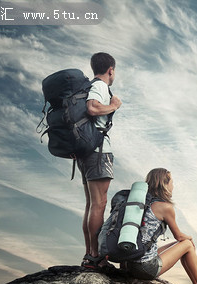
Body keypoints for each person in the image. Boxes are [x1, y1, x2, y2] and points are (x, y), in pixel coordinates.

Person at [121, 168, 197, 284]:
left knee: (181, 245)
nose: (173, 186)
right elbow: (179, 236)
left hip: (129, 262)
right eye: (172, 183)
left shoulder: (139, 204)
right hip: (145, 268)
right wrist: (190, 238)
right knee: (187, 244)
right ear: (164, 184)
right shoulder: (165, 207)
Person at [80, 52, 122, 269]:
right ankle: (94, 256)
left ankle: (90, 254)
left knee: (92, 204)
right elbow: (93, 107)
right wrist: (114, 105)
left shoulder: (90, 86)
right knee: (99, 204)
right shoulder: (99, 87)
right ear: (111, 70)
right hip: (98, 152)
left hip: (88, 151)